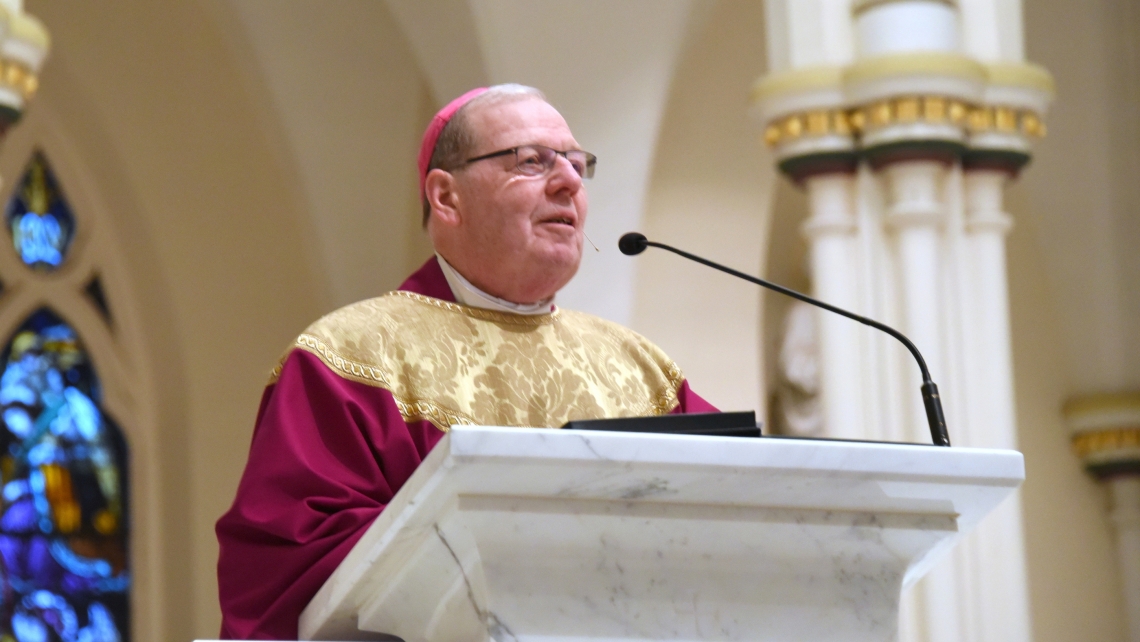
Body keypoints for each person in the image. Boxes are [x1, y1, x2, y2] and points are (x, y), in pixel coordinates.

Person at [215, 84, 717, 640]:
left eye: (577, 164)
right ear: (446, 197)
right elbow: (290, 566)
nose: (570, 181)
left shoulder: (641, 369)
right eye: (533, 161)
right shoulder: (351, 356)